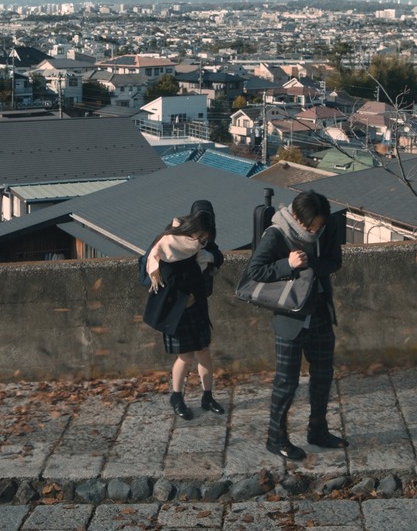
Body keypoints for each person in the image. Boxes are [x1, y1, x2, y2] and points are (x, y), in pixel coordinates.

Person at [244, 190, 347, 459]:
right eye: (312, 225)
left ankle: (318, 430)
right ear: (297, 218)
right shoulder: (276, 233)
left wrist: (310, 263)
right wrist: (286, 264)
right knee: (286, 382)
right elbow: (254, 272)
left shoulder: (328, 227)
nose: (316, 230)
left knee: (323, 374)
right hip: (290, 315)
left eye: (320, 225)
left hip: (320, 311)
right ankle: (276, 437)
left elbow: (334, 262)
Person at [144, 201, 225, 420]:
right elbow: (170, 278)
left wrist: (211, 258)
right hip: (176, 310)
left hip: (196, 305)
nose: (203, 238)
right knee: (185, 356)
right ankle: (177, 397)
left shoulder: (203, 242)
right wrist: (196, 268)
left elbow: (218, 255)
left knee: (204, 351)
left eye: (206, 235)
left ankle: (207, 396)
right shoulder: (170, 241)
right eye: (200, 234)